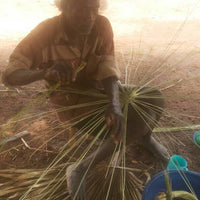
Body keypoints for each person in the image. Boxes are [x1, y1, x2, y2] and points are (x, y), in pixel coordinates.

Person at [2, 0, 170, 199]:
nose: (89, 17)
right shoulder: (45, 32)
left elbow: (108, 68)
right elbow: (10, 75)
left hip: (100, 88)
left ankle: (145, 138)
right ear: (63, 7)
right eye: (81, 9)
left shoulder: (102, 25)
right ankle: (80, 169)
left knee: (155, 98)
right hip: (71, 101)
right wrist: (45, 72)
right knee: (141, 119)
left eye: (94, 8)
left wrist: (114, 103)